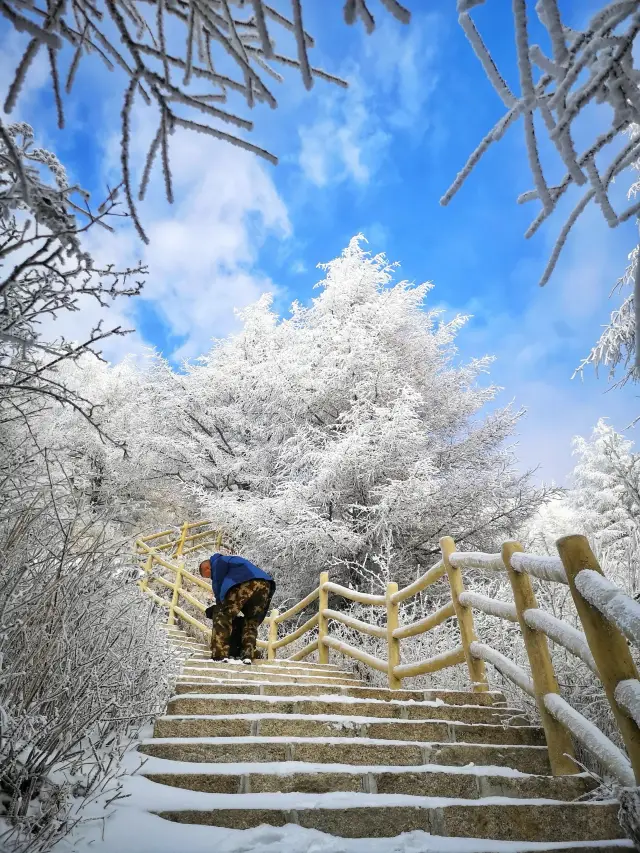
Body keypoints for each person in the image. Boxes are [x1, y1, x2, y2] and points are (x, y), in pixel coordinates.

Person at [199, 553, 275, 664]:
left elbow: (218, 583)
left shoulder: (218, 562)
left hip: (245, 582)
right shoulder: (233, 561)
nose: (210, 578)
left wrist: (219, 605)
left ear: (207, 568)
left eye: (208, 576)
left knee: (222, 615)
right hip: (266, 584)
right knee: (251, 620)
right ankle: (247, 654)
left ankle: (219, 654)